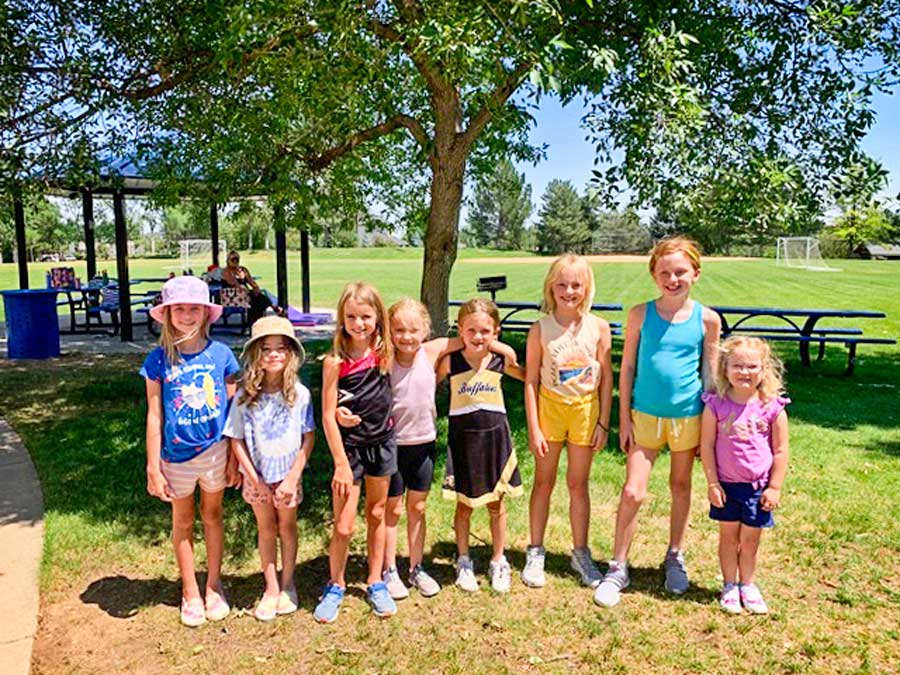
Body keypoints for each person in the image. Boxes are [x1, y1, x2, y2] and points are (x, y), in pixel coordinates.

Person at [338, 298, 518, 601]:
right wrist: (342, 411)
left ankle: (417, 566)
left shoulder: (432, 351)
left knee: (418, 507)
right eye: (399, 330)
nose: (407, 336)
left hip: (424, 442)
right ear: (388, 330)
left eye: (413, 330)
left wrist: (502, 348)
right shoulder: (384, 356)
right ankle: (389, 569)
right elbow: (352, 372)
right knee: (392, 509)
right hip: (391, 443)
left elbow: (471, 336)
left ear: (425, 330)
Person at [594, 236, 721, 608]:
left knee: (680, 487)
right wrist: (623, 418)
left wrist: (710, 428)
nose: (673, 278)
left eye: (680, 272)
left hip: (688, 418)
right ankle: (618, 565)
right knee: (633, 490)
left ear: (695, 274)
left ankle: (675, 556)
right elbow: (628, 365)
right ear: (654, 275)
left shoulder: (707, 319)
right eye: (665, 272)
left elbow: (710, 374)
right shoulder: (640, 314)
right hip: (644, 416)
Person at [141, 275, 240, 627]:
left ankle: (213, 584)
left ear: (205, 312)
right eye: (179, 308)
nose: (186, 315)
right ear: (167, 314)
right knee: (182, 522)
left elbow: (233, 415)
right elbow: (155, 416)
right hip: (175, 458)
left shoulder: (222, 355)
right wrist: (153, 467)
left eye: (193, 308)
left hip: (215, 453)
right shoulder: (157, 361)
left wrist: (233, 458)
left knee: (213, 516)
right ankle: (190, 590)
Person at [522, 254, 613, 589]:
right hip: (550, 409)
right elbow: (531, 380)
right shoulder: (540, 329)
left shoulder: (599, 328)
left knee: (578, 484)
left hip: (585, 412)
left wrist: (603, 422)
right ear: (551, 287)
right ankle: (535, 550)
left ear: (586, 287)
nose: (569, 291)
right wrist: (533, 427)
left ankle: (580, 552)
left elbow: (607, 379)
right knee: (543, 483)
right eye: (562, 284)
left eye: (576, 284)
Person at [314, 282, 397, 623]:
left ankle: (376, 580)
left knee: (377, 515)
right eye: (351, 316)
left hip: (383, 444)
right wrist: (340, 463)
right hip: (349, 451)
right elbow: (326, 413)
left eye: (365, 316)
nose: (358, 323)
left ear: (378, 317)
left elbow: (434, 346)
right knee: (344, 526)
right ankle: (335, 584)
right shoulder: (335, 361)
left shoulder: (386, 351)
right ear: (341, 319)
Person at [224, 316, 315, 622]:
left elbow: (308, 438)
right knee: (266, 529)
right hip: (256, 478)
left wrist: (292, 478)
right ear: (255, 355)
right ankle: (271, 587)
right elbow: (236, 441)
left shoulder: (300, 395)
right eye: (266, 349)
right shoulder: (244, 397)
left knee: (287, 528)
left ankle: (289, 583)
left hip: (289, 477)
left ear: (290, 354)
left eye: (280, 348)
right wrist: (255, 480)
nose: (274, 354)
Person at [438, 299, 525, 593]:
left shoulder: (500, 360)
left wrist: (506, 351)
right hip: (464, 441)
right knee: (464, 506)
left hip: (495, 439)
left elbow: (527, 376)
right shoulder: (452, 362)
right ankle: (463, 560)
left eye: (485, 331)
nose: (478, 337)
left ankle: (498, 560)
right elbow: (427, 382)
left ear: (495, 331)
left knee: (496, 504)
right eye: (471, 330)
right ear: (460, 330)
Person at [700, 336, 789, 614]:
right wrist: (712, 483)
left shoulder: (772, 407)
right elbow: (707, 445)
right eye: (737, 366)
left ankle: (748, 585)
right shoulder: (715, 405)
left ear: (764, 370)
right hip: (726, 486)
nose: (745, 372)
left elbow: (781, 450)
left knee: (750, 541)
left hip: (758, 489)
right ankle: (729, 585)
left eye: (752, 366)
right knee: (728, 538)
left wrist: (774, 487)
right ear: (725, 368)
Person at [220, 250, 282, 325]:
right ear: (228, 260)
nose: (235, 261)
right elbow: (235, 284)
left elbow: (251, 282)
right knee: (258, 300)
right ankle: (274, 308)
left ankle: (256, 321)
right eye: (233, 259)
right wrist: (247, 288)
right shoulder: (226, 271)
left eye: (237, 259)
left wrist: (256, 288)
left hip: (245, 294)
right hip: (233, 296)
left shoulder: (243, 270)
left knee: (260, 298)